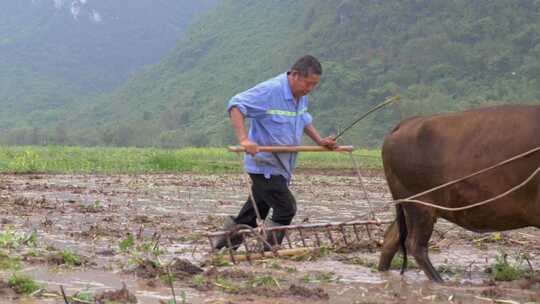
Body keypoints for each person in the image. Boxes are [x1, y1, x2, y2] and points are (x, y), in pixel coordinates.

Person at [215, 55, 336, 250]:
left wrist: (320, 140)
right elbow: (236, 104)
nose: (310, 89)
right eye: (308, 83)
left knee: (253, 214)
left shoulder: (301, 96)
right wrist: (245, 140)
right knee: (286, 208)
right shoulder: (271, 90)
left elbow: (303, 118)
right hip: (265, 165)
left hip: (282, 166)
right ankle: (268, 251)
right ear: (295, 75)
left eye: (314, 85)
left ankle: (221, 249)